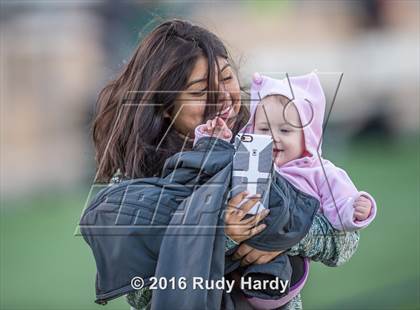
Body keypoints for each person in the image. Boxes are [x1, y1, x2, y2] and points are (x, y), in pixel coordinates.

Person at [92, 19, 360, 310]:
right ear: (166, 107)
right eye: (199, 91)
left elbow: (343, 240)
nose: (222, 97)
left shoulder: (262, 138)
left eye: (227, 78)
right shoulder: (135, 178)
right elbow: (142, 296)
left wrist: (278, 233)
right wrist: (223, 237)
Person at [194, 72, 377, 309]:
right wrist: (210, 138)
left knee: (277, 264)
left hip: (284, 265)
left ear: (307, 138)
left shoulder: (317, 171)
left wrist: (356, 208)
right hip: (236, 253)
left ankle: (264, 285)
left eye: (286, 131)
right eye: (263, 129)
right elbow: (215, 159)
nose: (273, 138)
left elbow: (341, 201)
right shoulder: (247, 157)